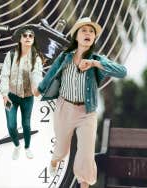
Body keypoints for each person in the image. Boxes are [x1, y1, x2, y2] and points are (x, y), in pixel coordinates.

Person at [34, 17, 127, 188]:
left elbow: (122, 72)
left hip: (87, 112)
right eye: (84, 30)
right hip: (65, 108)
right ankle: (55, 160)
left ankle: (84, 184)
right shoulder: (65, 57)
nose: (88, 34)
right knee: (61, 150)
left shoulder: (97, 60)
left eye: (91, 32)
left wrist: (94, 63)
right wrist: (39, 90)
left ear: (93, 39)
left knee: (86, 154)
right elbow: (51, 74)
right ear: (76, 36)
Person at [0, 25, 44, 160]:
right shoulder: (11, 55)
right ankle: (17, 145)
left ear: (33, 39)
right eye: (25, 35)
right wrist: (4, 94)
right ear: (20, 39)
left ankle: (27, 147)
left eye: (31, 36)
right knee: (11, 125)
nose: (28, 38)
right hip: (11, 96)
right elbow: (4, 74)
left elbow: (37, 75)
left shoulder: (36, 58)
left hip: (27, 97)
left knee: (26, 124)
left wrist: (37, 89)